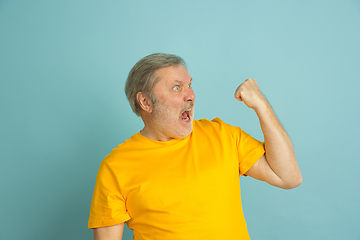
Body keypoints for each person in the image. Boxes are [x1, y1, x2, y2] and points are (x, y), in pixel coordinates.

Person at [88, 53, 302, 240]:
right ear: (145, 102)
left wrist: (261, 105)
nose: (191, 95)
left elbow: (289, 177)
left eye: (189, 85)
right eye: (176, 87)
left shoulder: (222, 135)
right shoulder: (115, 167)